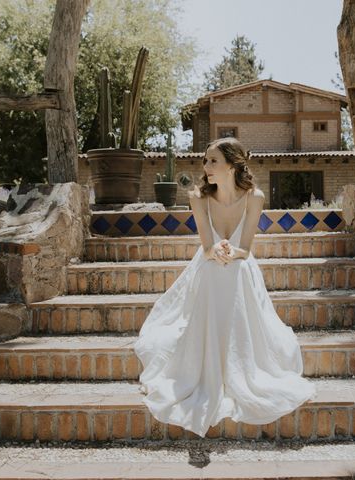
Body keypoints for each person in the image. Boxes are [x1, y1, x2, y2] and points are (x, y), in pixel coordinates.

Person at [133, 137, 316, 438]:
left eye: (213, 161)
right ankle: (207, 360)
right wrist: (216, 251)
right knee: (214, 271)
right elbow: (206, 246)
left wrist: (233, 253)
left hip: (241, 263)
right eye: (205, 160)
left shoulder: (255, 197)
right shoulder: (198, 196)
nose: (205, 167)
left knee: (237, 270)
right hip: (208, 263)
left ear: (232, 165)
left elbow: (246, 248)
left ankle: (239, 361)